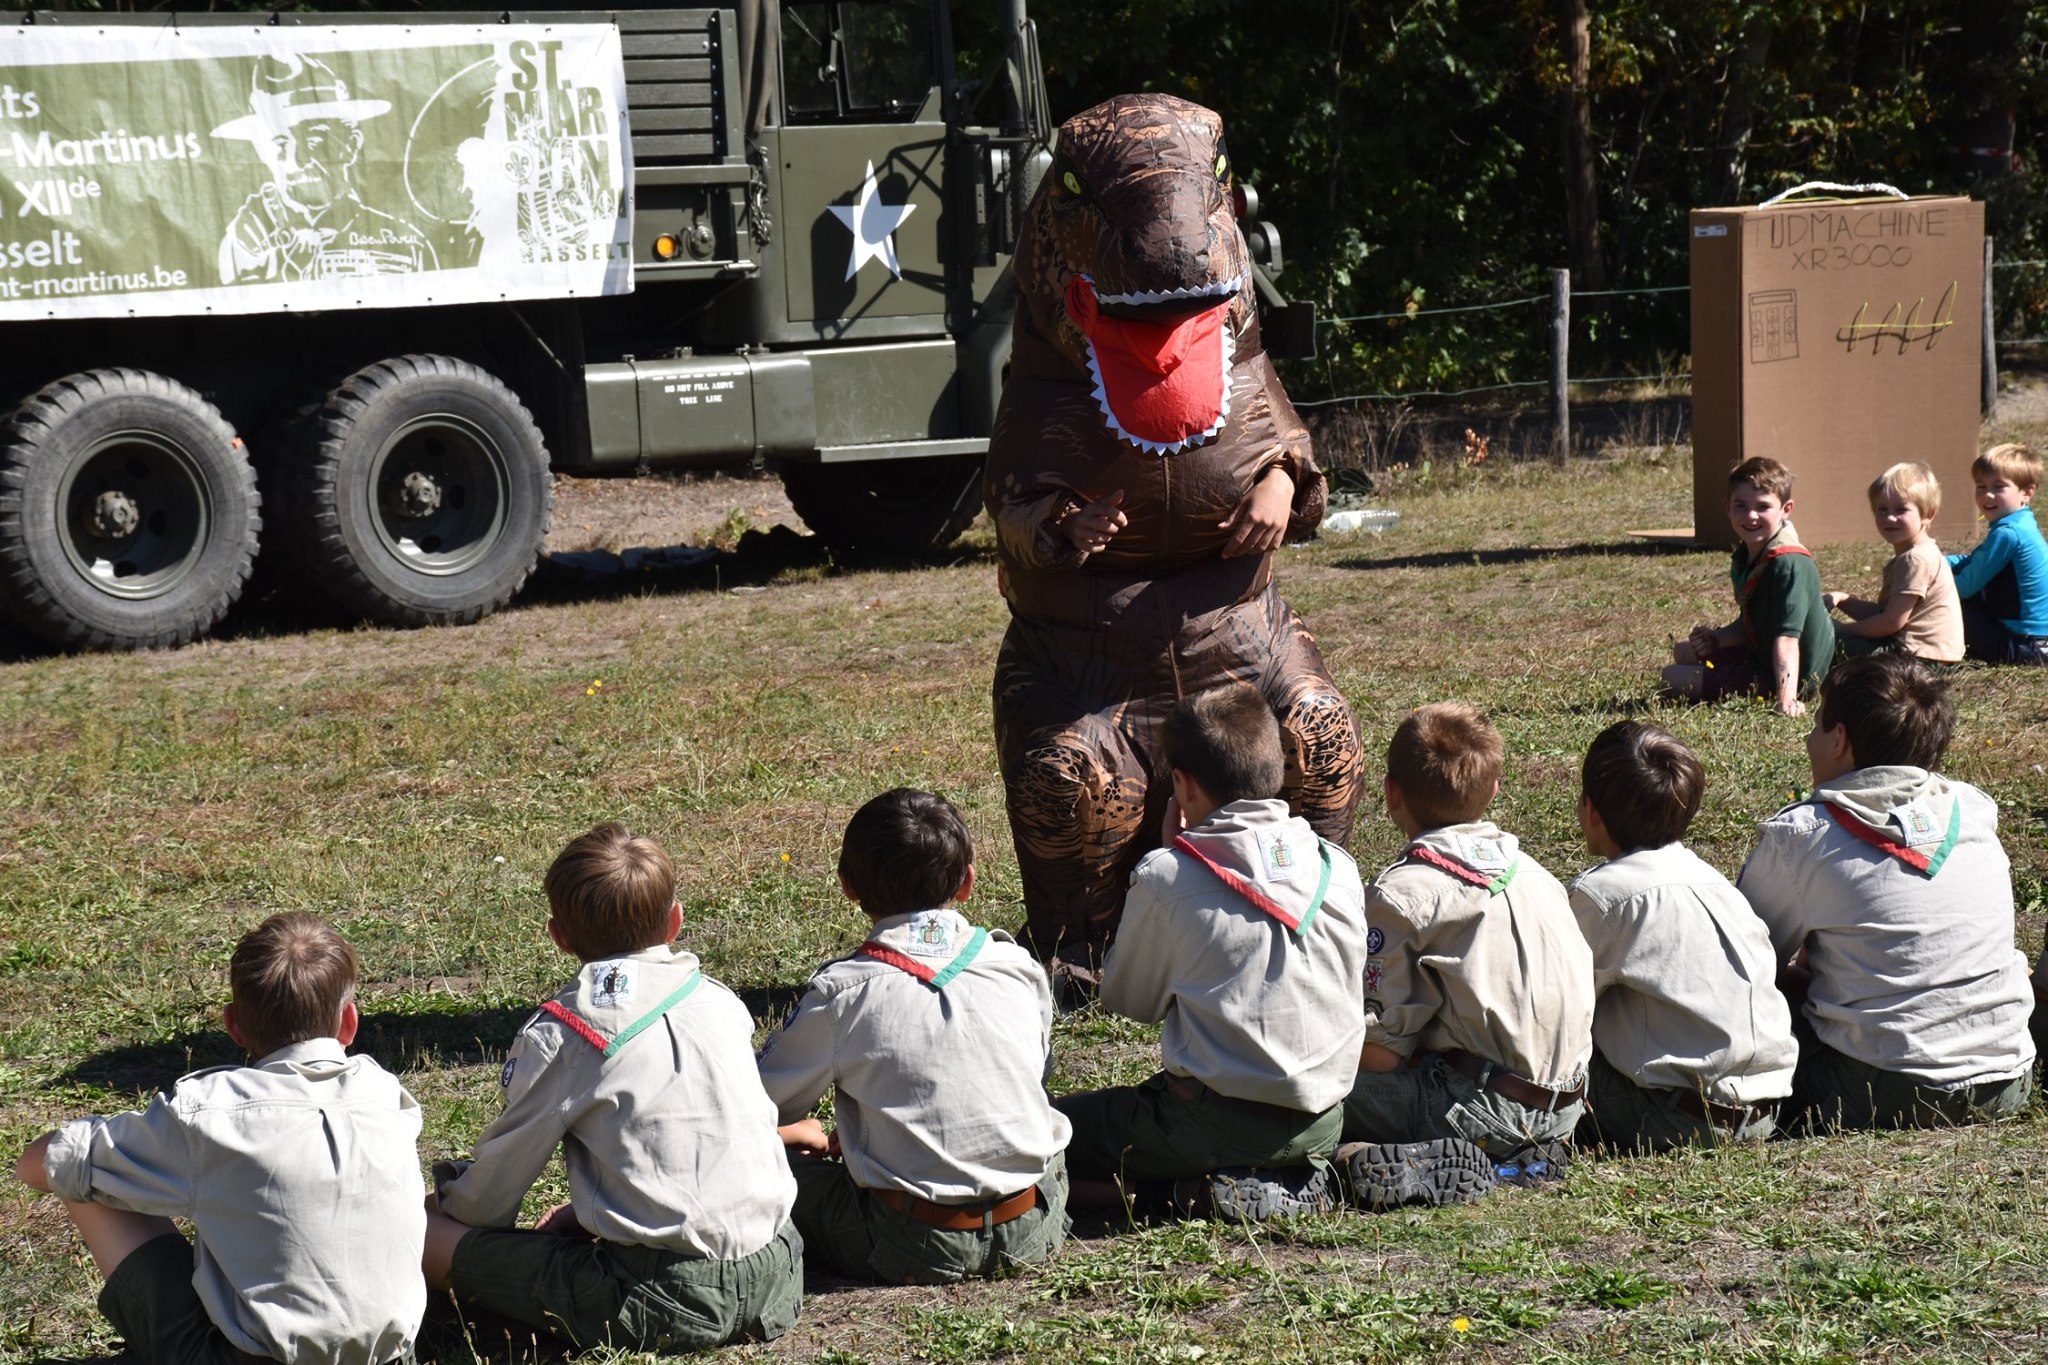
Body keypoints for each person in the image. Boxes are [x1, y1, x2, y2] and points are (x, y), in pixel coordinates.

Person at [423, 823, 802, 1353]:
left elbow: (483, 1206)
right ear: (675, 921)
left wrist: (440, 1203)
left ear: (559, 937)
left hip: (662, 1296)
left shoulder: (565, 1033)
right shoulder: (721, 1002)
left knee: (424, 1233)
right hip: (779, 1269)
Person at [14, 913, 425, 1365]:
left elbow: (39, 1166)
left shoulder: (210, 1111)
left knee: (84, 1169)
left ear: (233, 1025)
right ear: (349, 1022)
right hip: (390, 1355)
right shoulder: (387, 1094)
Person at [1054, 682, 1369, 1219]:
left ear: (1182, 784)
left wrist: (1167, 863)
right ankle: (1319, 1171)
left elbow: (1132, 1002)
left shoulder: (1169, 877)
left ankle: (1178, 1198)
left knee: (1043, 1131)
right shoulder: (1336, 864)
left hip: (1204, 1125)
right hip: (1324, 1118)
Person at [755, 788, 1071, 1283]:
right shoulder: (1016, 965)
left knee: (754, 1171)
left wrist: (796, 1134)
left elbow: (751, 1106)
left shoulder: (842, 993)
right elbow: (1035, 1074)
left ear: (847, 887)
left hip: (911, 1242)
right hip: (1034, 1222)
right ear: (967, 881)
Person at [1737, 655, 2036, 1131]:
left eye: (1816, 726)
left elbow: (1745, 964)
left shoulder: (1803, 836)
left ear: (1839, 740)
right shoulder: (1974, 809)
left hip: (1884, 1091)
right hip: (2006, 1080)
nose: (1810, 739)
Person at [1341, 702, 1593, 1208]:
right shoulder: (1535, 874)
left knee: (1297, 1094)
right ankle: (1516, 1160)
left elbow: (1381, 1055)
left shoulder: (1403, 894)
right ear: (1494, 790)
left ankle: (1367, 1159)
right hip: (1568, 1105)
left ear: (1391, 795)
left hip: (1475, 1105)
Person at [1568, 720, 1797, 1152]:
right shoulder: (1717, 884)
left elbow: (1553, 1001)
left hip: (1675, 1119)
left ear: (1591, 810)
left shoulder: (1604, 897)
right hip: (1767, 1112)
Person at [1663, 455, 1833, 716]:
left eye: (1763, 507)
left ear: (1786, 509)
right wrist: (1715, 640)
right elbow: (1753, 624)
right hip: (1762, 654)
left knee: (1671, 677)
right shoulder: (1750, 553)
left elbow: (1787, 638)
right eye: (1740, 505)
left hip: (1793, 677)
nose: (1751, 516)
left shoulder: (1788, 562)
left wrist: (1786, 699)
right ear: (1727, 507)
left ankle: (1770, 688)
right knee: (1683, 650)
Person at [1822, 462, 1963, 664]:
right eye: (1882, 510)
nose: (1890, 517)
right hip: (1926, 655)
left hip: (1917, 658)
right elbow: (1884, 613)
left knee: (1824, 642)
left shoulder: (1916, 559)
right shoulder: (1916, 553)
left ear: (1928, 514)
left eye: (1900, 510)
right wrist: (1844, 599)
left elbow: (1890, 622)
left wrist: (1843, 629)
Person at [1945, 443, 2048, 665]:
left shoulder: (2009, 533)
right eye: (1980, 486)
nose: (1987, 495)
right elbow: (1974, 561)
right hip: (2040, 643)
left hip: (2025, 648)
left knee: (1942, 605)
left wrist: (1927, 580)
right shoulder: (2021, 523)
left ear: (2027, 492)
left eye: (1998, 487)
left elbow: (1964, 587)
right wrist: (1936, 561)